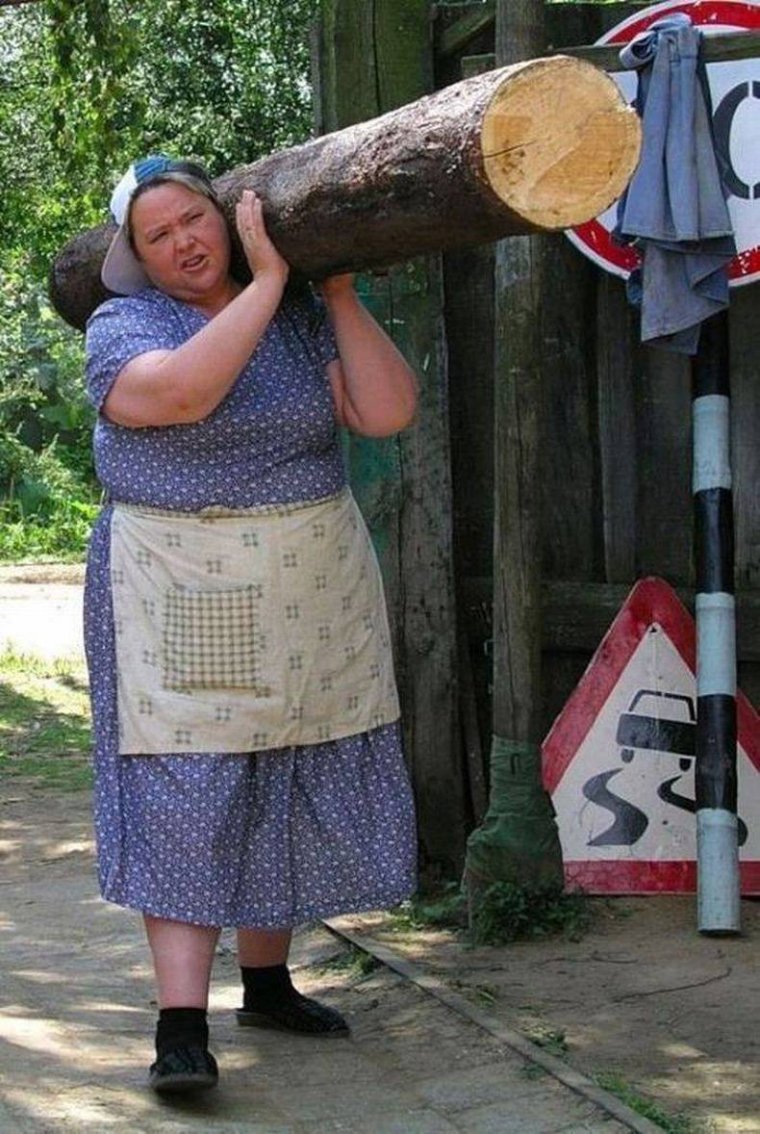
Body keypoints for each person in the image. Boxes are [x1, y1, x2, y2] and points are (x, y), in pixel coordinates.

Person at [83, 154, 418, 1095]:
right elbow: (181, 394)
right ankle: (180, 1028)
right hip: (178, 584)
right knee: (190, 786)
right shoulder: (125, 325)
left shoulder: (302, 313)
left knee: (288, 762)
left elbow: (386, 412)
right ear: (138, 258)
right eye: (159, 235)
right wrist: (268, 282)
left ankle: (268, 985)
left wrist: (335, 292)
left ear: (226, 219)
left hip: (308, 582)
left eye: (194, 218)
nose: (184, 242)